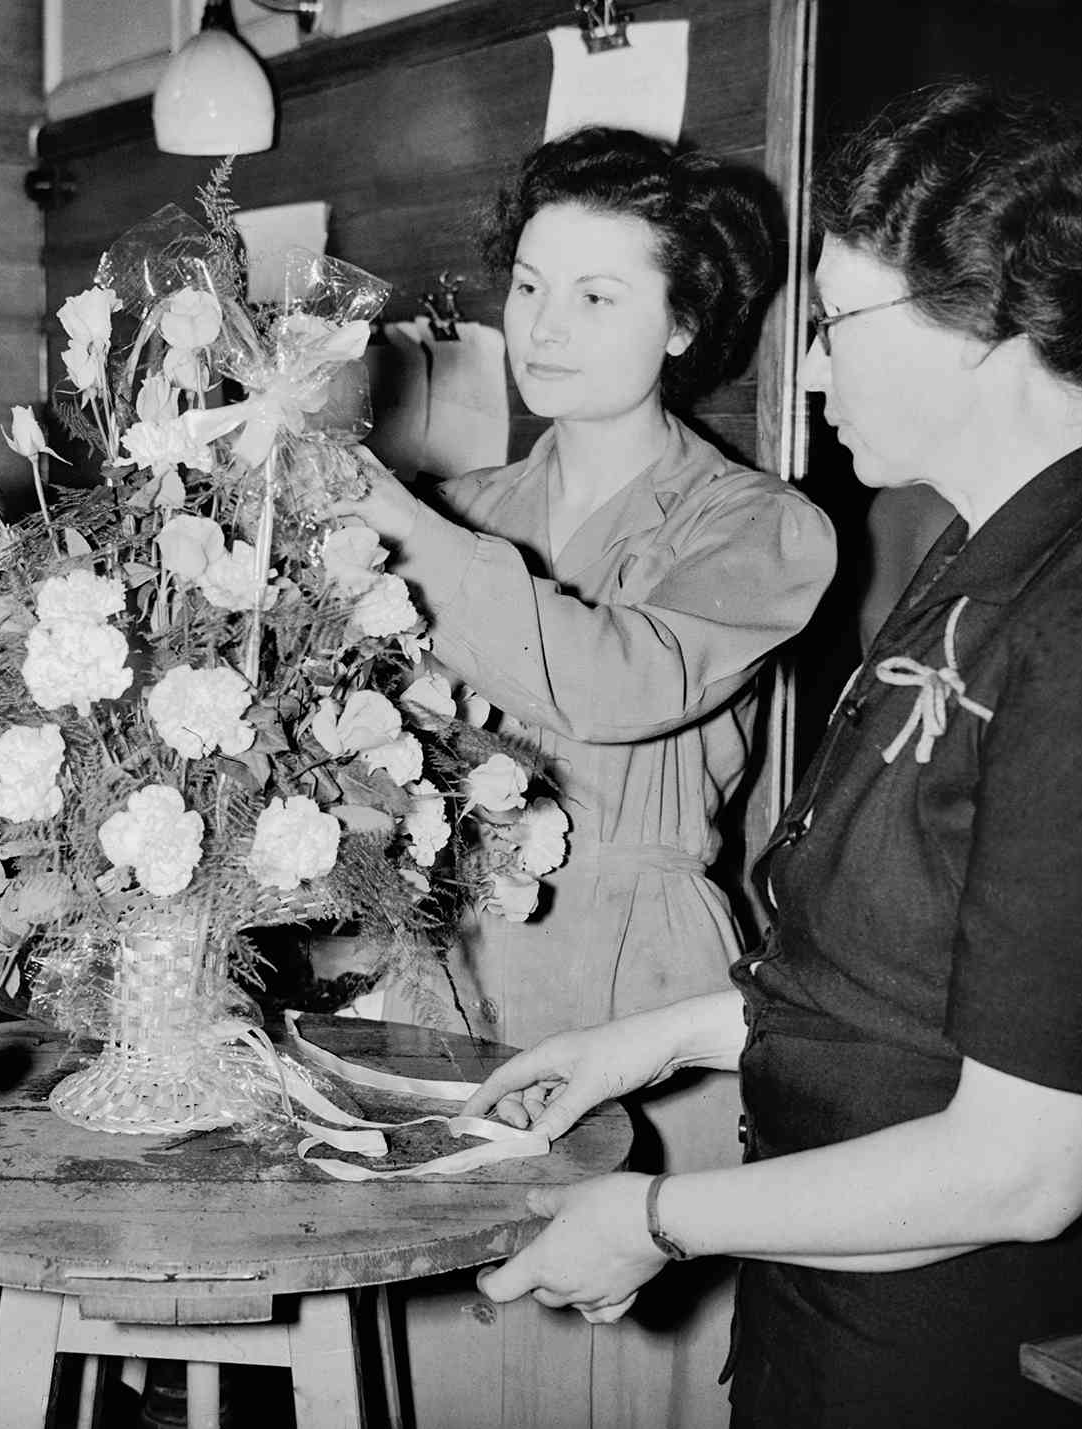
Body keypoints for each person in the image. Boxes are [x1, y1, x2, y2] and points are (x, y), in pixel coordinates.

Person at [457, 83, 1082, 1428]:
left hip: (971, 1353)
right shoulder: (998, 553)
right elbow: (905, 975)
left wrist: (659, 1217)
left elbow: (1018, 1165)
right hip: (843, 1300)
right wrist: (651, 1040)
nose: (804, 366)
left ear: (980, 329)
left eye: (838, 322)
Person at [335, 126, 836, 1426]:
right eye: (531, 284)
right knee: (453, 1367)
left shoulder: (766, 527)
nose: (545, 326)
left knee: (627, 1388)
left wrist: (390, 524)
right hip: (452, 979)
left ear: (685, 326)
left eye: (599, 294)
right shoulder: (464, 513)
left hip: (650, 988)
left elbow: (614, 682)